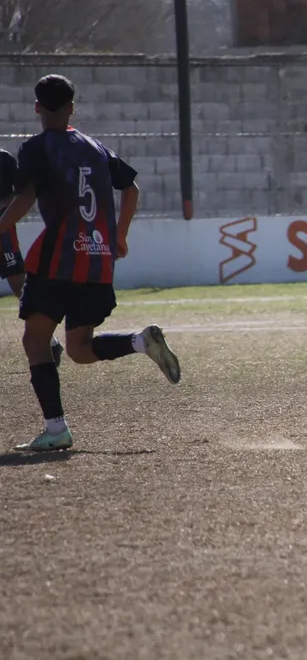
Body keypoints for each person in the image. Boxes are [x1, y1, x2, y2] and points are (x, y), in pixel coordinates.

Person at [0, 74, 181, 452]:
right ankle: (139, 342)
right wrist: (119, 235)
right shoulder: (96, 147)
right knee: (80, 349)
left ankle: (56, 429)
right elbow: (131, 188)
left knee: (36, 340)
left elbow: (26, 197)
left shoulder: (35, 148)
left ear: (36, 107)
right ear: (72, 106)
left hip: (57, 260)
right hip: (97, 260)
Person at [0, 147, 63, 365]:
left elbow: (20, 193)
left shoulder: (4, 159)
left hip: (3, 231)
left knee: (20, 286)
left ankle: (50, 341)